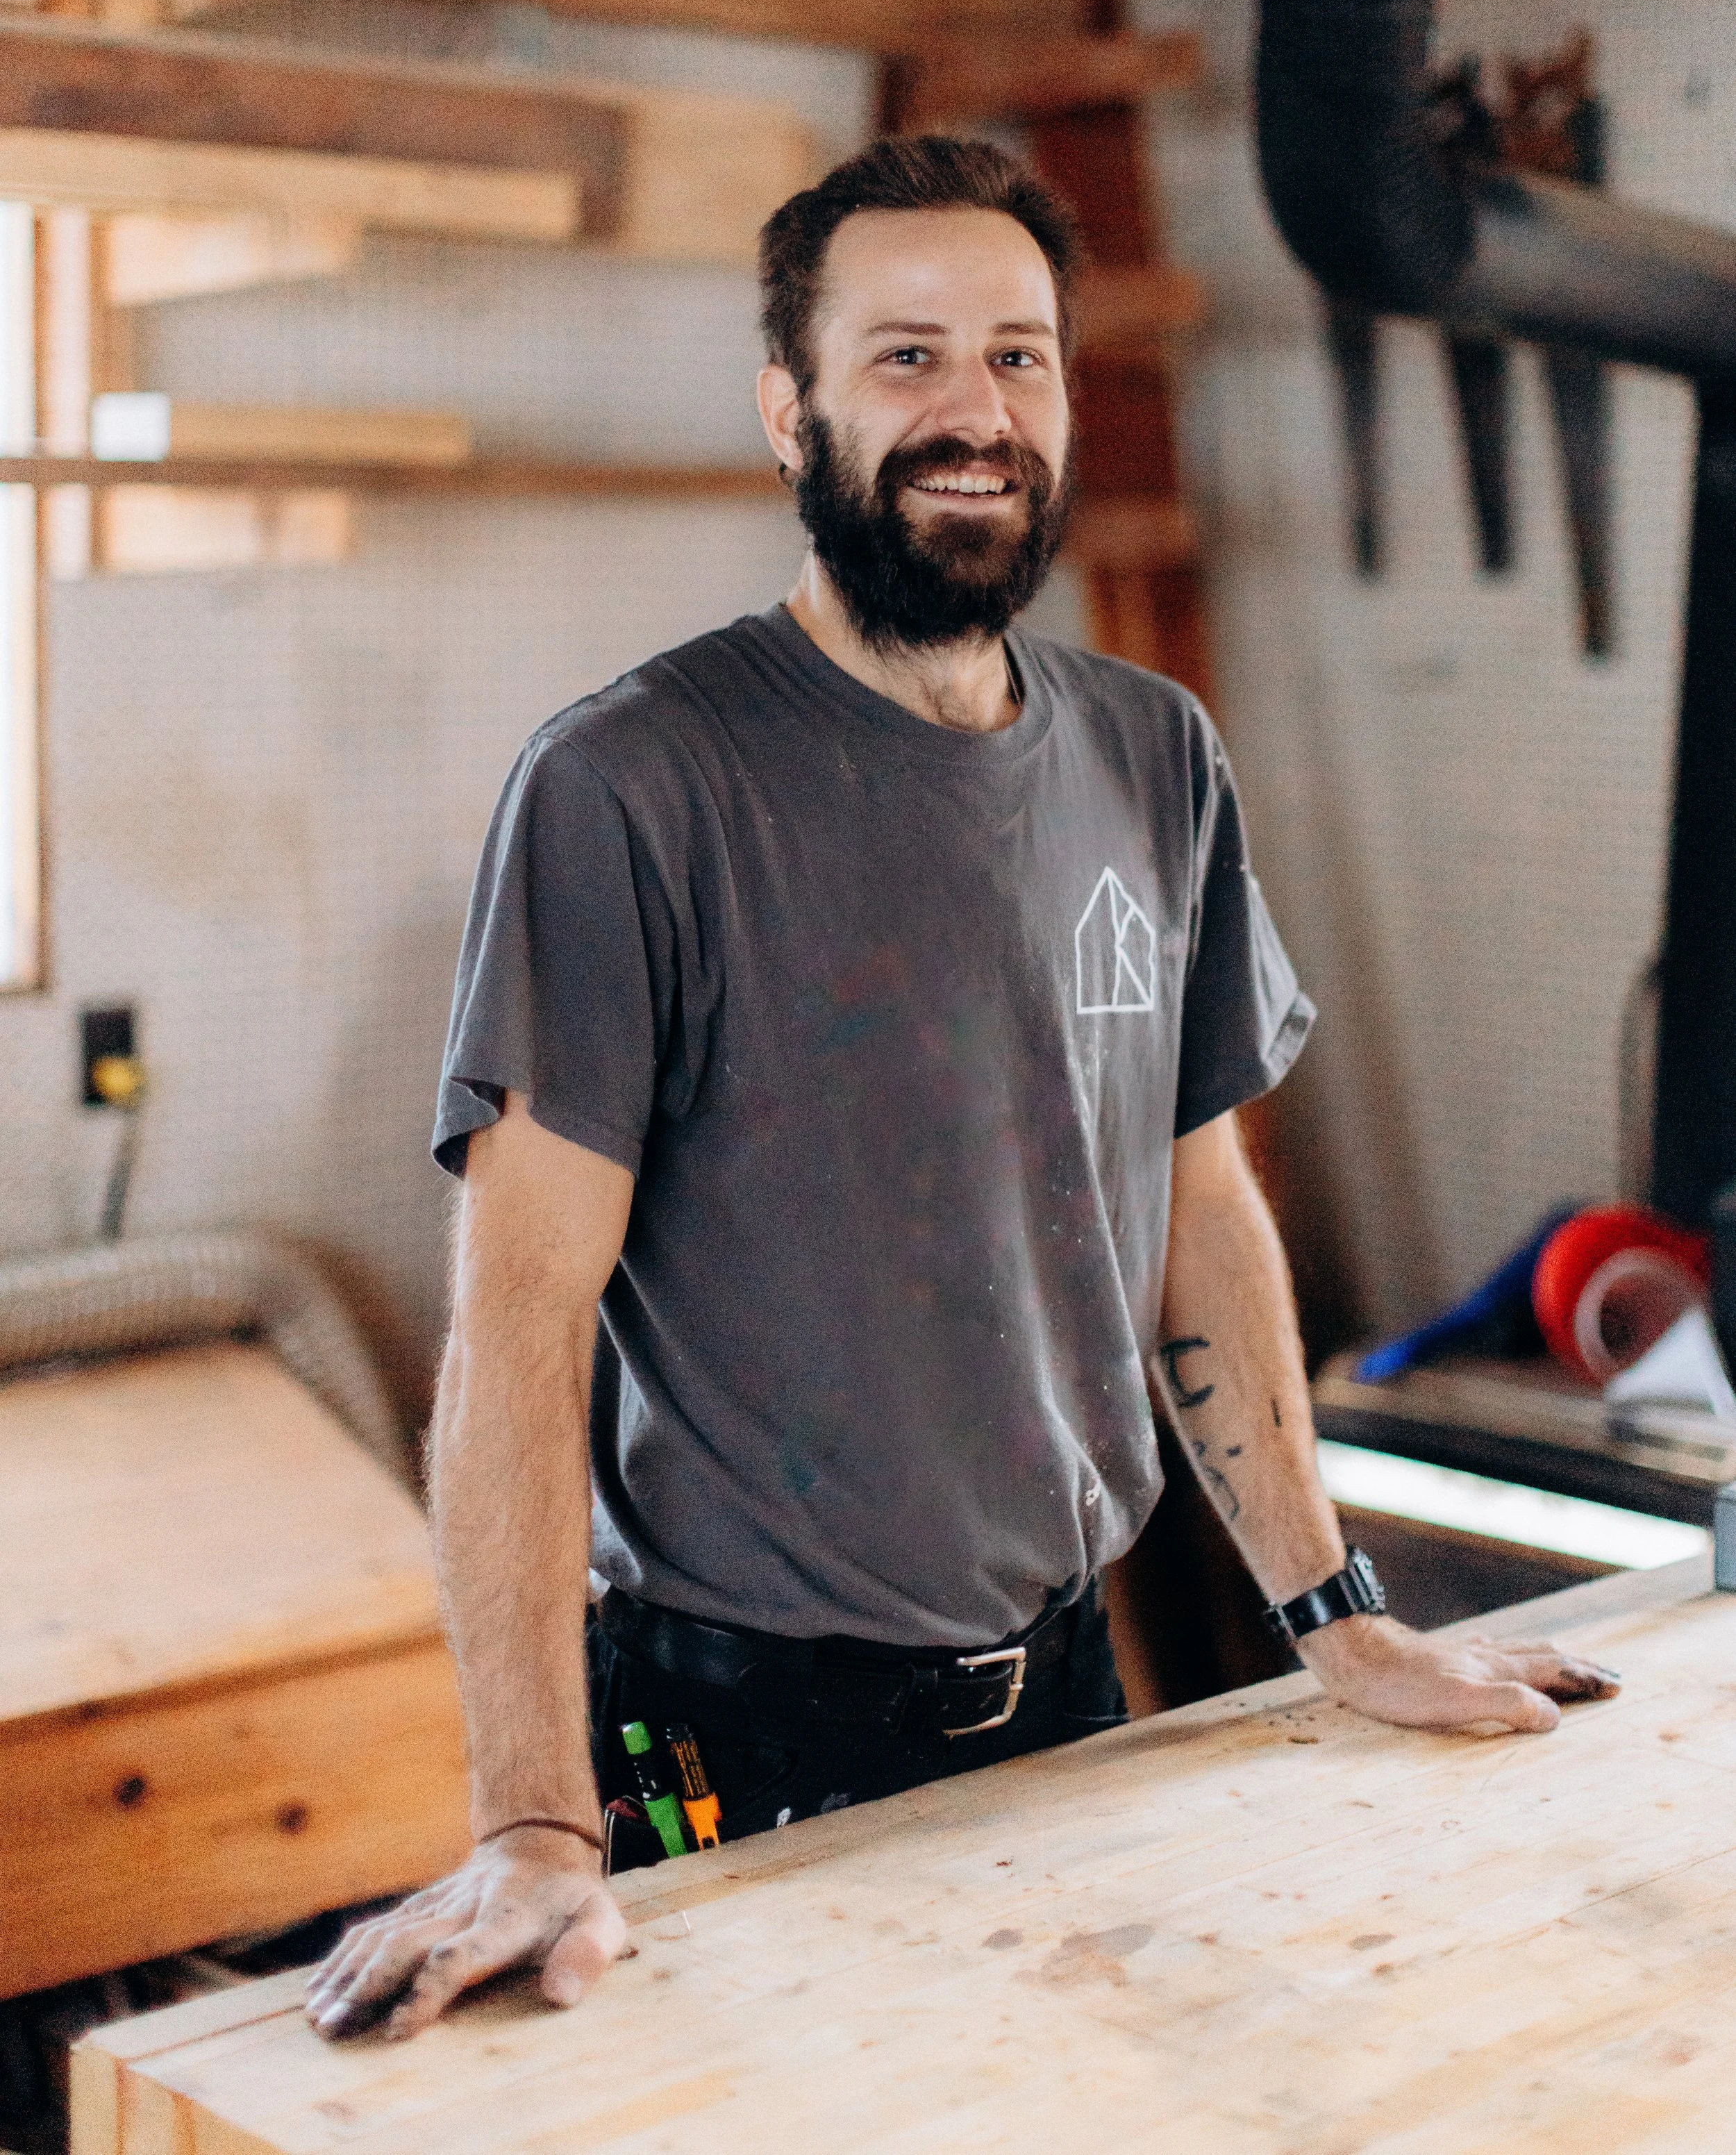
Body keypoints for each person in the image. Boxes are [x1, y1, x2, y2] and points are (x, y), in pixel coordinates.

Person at [306, 135, 1619, 2045]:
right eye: (904, 356)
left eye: (1018, 355)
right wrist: (532, 1818)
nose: (973, 411)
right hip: (728, 1727)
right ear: (790, 408)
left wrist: (1328, 1613)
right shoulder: (631, 787)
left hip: (1069, 1685)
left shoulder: (1149, 756)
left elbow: (1200, 1214)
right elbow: (520, 1324)